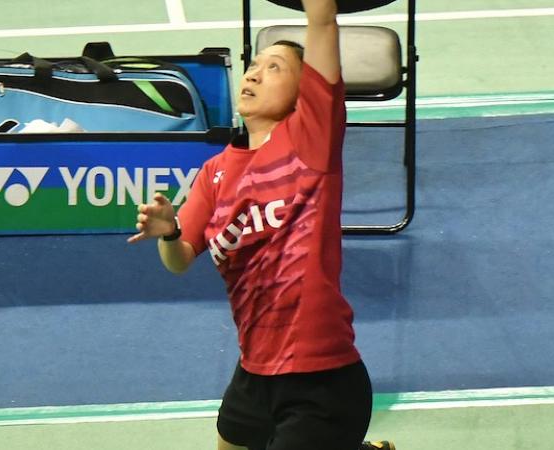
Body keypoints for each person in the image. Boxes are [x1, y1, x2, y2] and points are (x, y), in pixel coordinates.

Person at [128, 1, 395, 449]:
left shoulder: (310, 142)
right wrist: (169, 232)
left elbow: (324, 20)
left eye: (274, 68)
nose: (252, 75)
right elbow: (180, 260)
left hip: (321, 378)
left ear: (301, 94)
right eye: (253, 66)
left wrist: (319, 13)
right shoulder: (215, 172)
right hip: (254, 372)